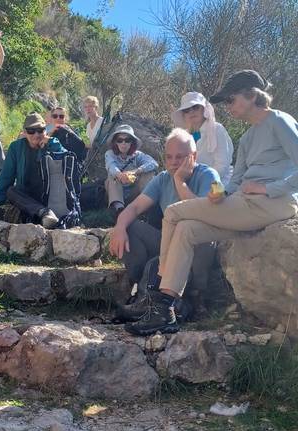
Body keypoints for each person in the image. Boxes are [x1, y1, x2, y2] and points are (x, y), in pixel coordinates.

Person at [124, 70, 298, 336]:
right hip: (244, 207)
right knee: (187, 229)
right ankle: (165, 311)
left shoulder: (280, 121)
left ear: (252, 96)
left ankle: (159, 284)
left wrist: (267, 188)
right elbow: (236, 180)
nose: (227, 107)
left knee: (173, 213)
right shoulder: (249, 137)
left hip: (273, 204)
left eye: (231, 100)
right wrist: (220, 194)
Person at [110, 128, 220, 322]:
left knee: (198, 237)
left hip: (196, 244)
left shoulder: (208, 175)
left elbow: (203, 214)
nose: (174, 162)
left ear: (193, 156)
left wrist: (180, 181)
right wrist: (119, 227)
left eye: (180, 157)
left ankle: (194, 295)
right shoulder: (162, 178)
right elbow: (134, 208)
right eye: (169, 157)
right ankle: (141, 290)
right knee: (129, 225)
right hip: (167, 243)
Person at [0, 113, 81, 229]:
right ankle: (44, 212)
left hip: (49, 193)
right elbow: (6, 177)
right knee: (11, 191)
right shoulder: (16, 148)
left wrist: (51, 143)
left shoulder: (52, 143)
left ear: (45, 130)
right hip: (26, 193)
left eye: (40, 130)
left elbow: (66, 158)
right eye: (31, 131)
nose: (36, 134)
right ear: (24, 132)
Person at [172, 91, 234, 185]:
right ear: (183, 115)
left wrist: (205, 181)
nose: (191, 111)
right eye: (186, 110)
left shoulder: (217, 129)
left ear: (204, 109)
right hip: (193, 182)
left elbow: (222, 165)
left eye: (195, 107)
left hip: (220, 182)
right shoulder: (184, 136)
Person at [105, 125, 158, 218]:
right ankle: (119, 210)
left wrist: (135, 171)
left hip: (134, 193)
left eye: (127, 140)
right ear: (115, 143)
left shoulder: (138, 155)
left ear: (131, 143)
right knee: (112, 176)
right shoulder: (110, 154)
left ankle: (147, 206)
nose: (123, 143)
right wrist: (120, 175)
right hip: (116, 192)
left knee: (149, 173)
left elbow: (153, 163)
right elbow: (111, 166)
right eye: (120, 140)